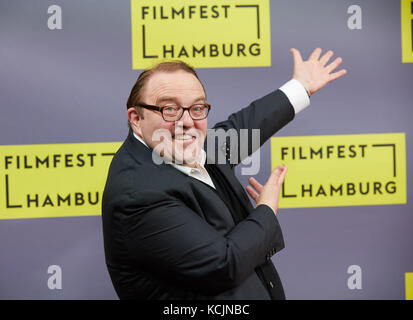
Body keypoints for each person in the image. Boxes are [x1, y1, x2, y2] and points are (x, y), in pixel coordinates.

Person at [102, 48, 346, 300]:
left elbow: (244, 126)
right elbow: (224, 265)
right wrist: (266, 210)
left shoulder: (185, 145)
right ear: (136, 119)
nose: (187, 121)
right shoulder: (138, 195)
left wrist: (301, 86)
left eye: (196, 108)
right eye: (169, 110)